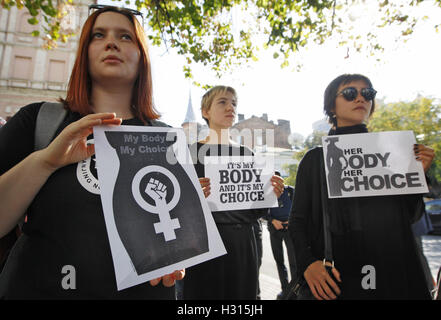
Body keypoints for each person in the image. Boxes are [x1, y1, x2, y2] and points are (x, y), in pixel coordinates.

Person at [0, 5, 183, 299]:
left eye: (125, 37)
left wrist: (177, 259)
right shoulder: (36, 121)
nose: (111, 42)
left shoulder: (167, 139)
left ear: (142, 57)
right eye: (99, 35)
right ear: (84, 51)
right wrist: (45, 162)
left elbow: (176, 236)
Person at [289, 73, 435, 300]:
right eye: (349, 93)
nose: (360, 98)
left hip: (391, 274)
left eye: (368, 93)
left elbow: (410, 216)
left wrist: (417, 176)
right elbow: (298, 221)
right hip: (337, 278)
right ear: (331, 107)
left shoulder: (394, 154)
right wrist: (308, 264)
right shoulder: (316, 159)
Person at [183, 85, 284, 299]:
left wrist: (270, 194)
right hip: (205, 246)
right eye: (222, 102)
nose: (231, 107)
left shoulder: (247, 153)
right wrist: (193, 197)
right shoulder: (190, 152)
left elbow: (256, 211)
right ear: (205, 111)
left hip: (243, 247)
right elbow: (179, 207)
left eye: (234, 103)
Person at [266, 172, 296, 299]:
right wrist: (272, 220)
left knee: (293, 261)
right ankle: (285, 290)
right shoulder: (266, 195)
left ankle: (295, 290)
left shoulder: (290, 191)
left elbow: (299, 207)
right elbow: (260, 212)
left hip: (290, 230)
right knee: (280, 261)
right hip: (275, 230)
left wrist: (291, 221)